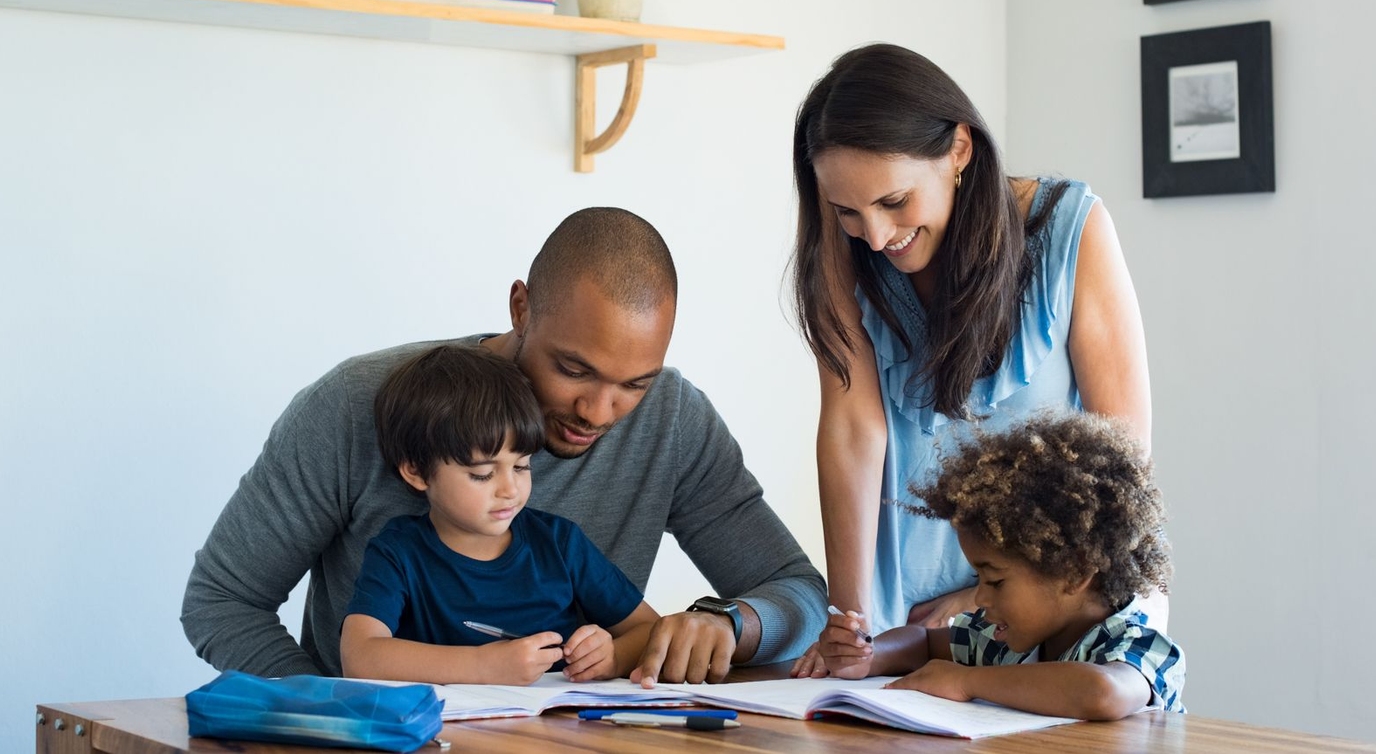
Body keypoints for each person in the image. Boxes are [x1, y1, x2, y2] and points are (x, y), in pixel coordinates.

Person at [182, 207, 826, 685]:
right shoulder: (357, 405)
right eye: (573, 370)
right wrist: (333, 714)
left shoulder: (673, 420)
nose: (599, 413)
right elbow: (221, 601)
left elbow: (798, 592)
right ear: (521, 307)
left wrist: (731, 623)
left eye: (634, 384)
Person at [787, 43, 1156, 674]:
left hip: (1053, 613)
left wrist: (984, 595)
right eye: (847, 210)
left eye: (894, 202)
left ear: (959, 150)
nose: (876, 236)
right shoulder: (843, 254)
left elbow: (1119, 460)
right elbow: (853, 430)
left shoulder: (1072, 229)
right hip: (898, 623)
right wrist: (848, 620)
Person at [815, 411, 1185, 719]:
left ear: (1075, 572)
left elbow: (1101, 693)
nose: (980, 598)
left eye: (995, 581)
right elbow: (924, 643)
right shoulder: (1005, 639)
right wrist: (869, 655)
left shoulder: (1137, 643)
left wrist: (965, 682)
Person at [340, 345, 659, 686]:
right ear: (417, 472)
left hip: (557, 731)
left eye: (522, 466)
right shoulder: (398, 552)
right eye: (482, 474)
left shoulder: (559, 543)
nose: (510, 490)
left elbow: (649, 629)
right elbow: (360, 656)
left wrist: (612, 656)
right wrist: (482, 666)